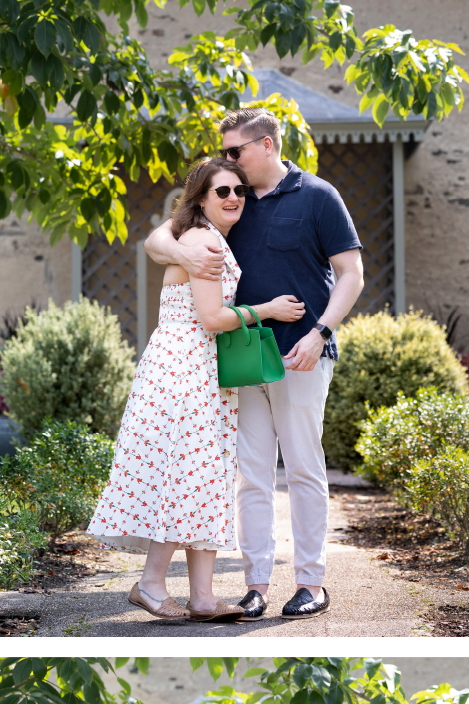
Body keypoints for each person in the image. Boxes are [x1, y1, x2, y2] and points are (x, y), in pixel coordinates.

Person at [145, 108, 365, 621]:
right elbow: (159, 239)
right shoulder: (230, 202)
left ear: (266, 145)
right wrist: (186, 252)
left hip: (300, 356)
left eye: (235, 151)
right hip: (241, 359)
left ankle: (311, 582)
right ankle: (256, 585)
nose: (228, 162)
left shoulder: (318, 196)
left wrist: (321, 333)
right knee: (251, 476)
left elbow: (351, 273)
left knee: (306, 469)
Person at [88, 155, 305, 623]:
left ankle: (203, 598)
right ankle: (150, 584)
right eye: (221, 191)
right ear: (202, 200)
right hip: (185, 370)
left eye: (238, 191)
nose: (232, 198)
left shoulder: (199, 238)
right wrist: (265, 309)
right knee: (187, 477)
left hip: (195, 369)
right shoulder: (205, 240)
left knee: (204, 481)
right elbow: (210, 319)